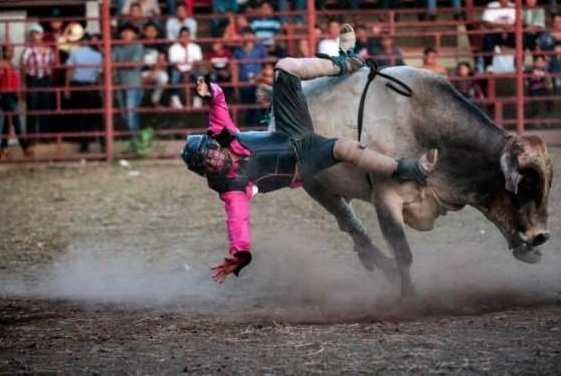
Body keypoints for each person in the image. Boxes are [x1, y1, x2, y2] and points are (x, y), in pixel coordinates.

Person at [180, 24, 438, 282]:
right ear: (205, 171)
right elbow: (238, 223)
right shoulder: (231, 189)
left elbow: (218, 102)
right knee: (344, 148)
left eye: (211, 152)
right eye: (208, 163)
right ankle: (408, 169)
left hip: (289, 130)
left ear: (213, 144)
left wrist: (209, 90)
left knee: (284, 68)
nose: (214, 158)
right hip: (301, 161)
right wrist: (241, 254)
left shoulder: (222, 134)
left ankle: (343, 62)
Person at [65, 33, 103, 152]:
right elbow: (99, 74)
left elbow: (69, 70)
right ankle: (104, 143)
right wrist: (100, 88)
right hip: (92, 87)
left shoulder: (75, 52)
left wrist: (67, 87)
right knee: (96, 117)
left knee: (81, 116)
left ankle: (84, 144)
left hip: (78, 87)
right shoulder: (98, 55)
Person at [20, 23, 55, 143]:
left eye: (37, 33)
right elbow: (23, 66)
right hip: (33, 79)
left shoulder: (48, 49)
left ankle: (44, 136)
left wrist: (49, 75)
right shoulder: (29, 49)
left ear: (42, 35)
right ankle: (31, 137)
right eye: (33, 34)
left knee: (44, 108)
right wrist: (24, 83)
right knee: (32, 108)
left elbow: (52, 63)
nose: (35, 36)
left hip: (45, 79)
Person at [0, 44, 32, 158]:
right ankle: (25, 148)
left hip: (12, 95)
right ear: (3, 52)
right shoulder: (2, 64)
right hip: (6, 95)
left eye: (12, 50)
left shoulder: (11, 64)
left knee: (7, 124)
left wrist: (18, 94)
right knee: (16, 123)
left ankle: (4, 150)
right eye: (8, 50)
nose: (11, 53)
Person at [113, 24, 145, 133]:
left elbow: (134, 64)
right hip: (120, 83)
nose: (126, 34)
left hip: (133, 84)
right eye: (124, 31)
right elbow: (110, 63)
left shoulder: (138, 46)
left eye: (129, 31)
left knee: (131, 112)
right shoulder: (117, 48)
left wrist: (118, 64)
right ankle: (130, 136)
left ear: (134, 34)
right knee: (123, 112)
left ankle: (133, 137)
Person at [233, 27, 267, 124]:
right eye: (245, 35)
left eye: (250, 34)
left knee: (258, 107)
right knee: (247, 107)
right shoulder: (238, 51)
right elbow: (235, 68)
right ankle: (249, 129)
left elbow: (266, 65)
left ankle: (258, 129)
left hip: (258, 82)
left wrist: (262, 77)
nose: (248, 37)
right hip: (244, 83)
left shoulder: (260, 49)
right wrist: (236, 86)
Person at [480, 0, 516, 69]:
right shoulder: (492, 5)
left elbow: (519, 22)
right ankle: (489, 66)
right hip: (495, 33)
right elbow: (486, 22)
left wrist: (506, 30)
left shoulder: (514, 6)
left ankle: (519, 65)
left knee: (521, 39)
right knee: (487, 39)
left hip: (510, 33)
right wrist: (502, 27)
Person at [168, 27, 203, 108]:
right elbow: (174, 63)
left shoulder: (196, 47)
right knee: (174, 76)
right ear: (179, 37)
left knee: (200, 76)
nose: (185, 38)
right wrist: (181, 71)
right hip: (178, 70)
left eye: (186, 36)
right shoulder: (173, 48)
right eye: (182, 36)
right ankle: (174, 98)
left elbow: (197, 61)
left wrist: (190, 70)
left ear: (189, 36)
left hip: (192, 69)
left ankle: (198, 98)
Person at [141, 21, 169, 107]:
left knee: (164, 77)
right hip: (140, 72)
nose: (151, 33)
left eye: (153, 31)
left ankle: (154, 101)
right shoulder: (139, 45)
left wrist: (151, 75)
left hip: (155, 72)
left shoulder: (160, 46)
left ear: (156, 32)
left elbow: (160, 63)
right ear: (144, 32)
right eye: (148, 31)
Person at [525, 54, 553, 121]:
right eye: (537, 61)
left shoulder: (545, 71)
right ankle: (536, 117)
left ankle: (547, 117)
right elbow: (526, 83)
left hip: (543, 88)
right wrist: (532, 78)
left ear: (544, 63)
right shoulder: (529, 71)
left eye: (541, 62)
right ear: (534, 62)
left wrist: (546, 80)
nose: (539, 63)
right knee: (535, 100)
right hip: (533, 89)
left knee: (550, 98)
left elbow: (549, 84)